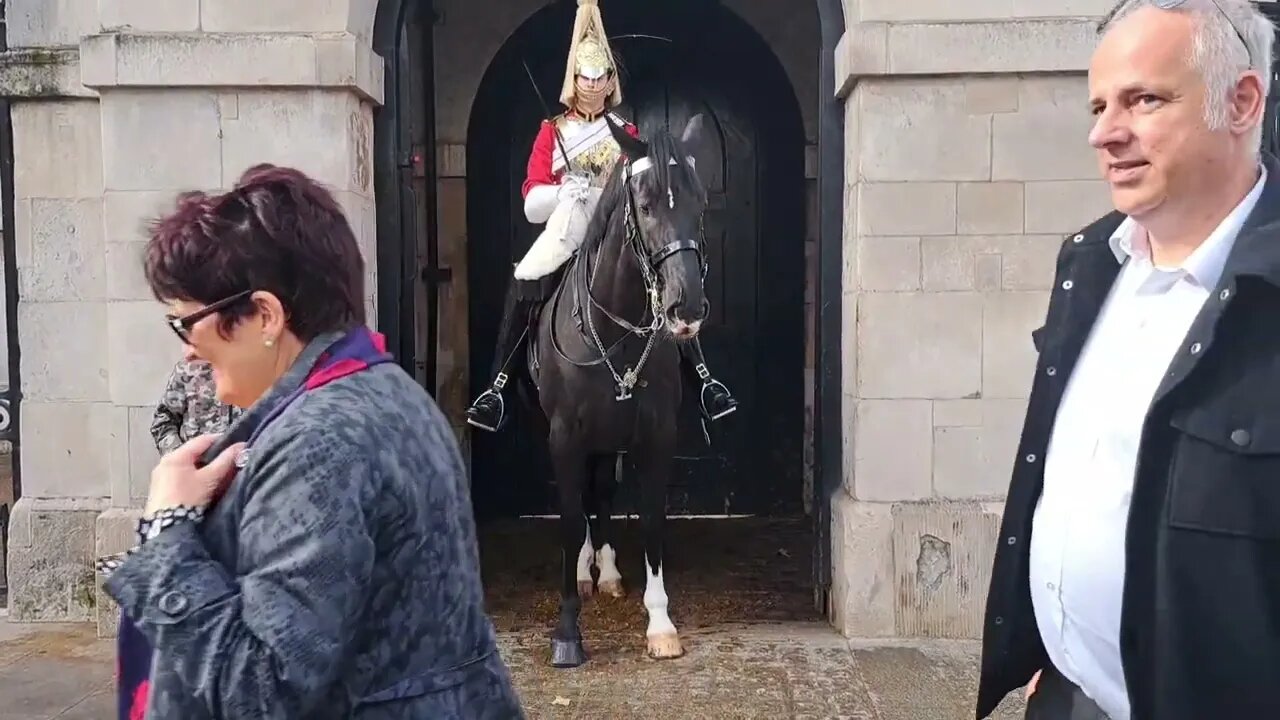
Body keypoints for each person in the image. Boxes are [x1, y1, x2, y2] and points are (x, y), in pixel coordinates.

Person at [96, 164, 524, 719]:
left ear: (265, 314)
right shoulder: (384, 390)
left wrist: (167, 537)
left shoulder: (318, 442)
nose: (187, 351)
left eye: (187, 324)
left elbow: (262, 692)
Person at [976, 1, 1277, 719]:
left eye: (1144, 100)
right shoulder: (1090, 263)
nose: (1104, 133)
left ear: (1241, 102)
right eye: (1100, 104)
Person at [464, 0, 738, 432]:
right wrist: (562, 192)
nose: (593, 86)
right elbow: (531, 202)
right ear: (573, 80)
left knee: (669, 276)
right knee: (525, 278)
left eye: (601, 77)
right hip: (568, 223)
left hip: (615, 226)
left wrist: (603, 189)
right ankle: (499, 385)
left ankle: (702, 379)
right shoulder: (551, 132)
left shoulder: (626, 133)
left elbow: (643, 184)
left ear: (611, 80)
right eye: (585, 78)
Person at [149, 358, 242, 455]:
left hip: (247, 464)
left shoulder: (252, 368)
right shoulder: (187, 369)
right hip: (198, 465)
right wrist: (178, 455)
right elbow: (163, 421)